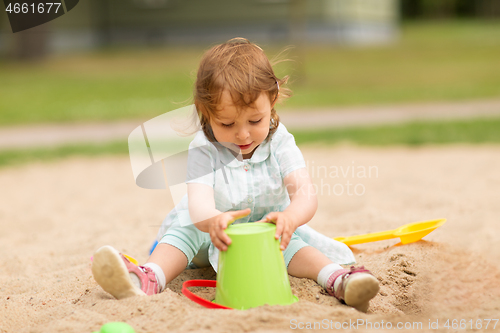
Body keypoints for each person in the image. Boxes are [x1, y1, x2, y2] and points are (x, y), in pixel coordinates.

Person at [91, 38, 379, 312]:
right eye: (227, 124)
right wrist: (212, 220)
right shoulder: (203, 149)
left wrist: (290, 218)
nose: (242, 134)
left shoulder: (280, 143)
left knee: (292, 243)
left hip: (266, 231)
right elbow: (199, 203)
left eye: (255, 120)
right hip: (212, 235)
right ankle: (149, 278)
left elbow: (304, 193)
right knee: (184, 230)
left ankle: (337, 279)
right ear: (206, 113)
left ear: (273, 100)